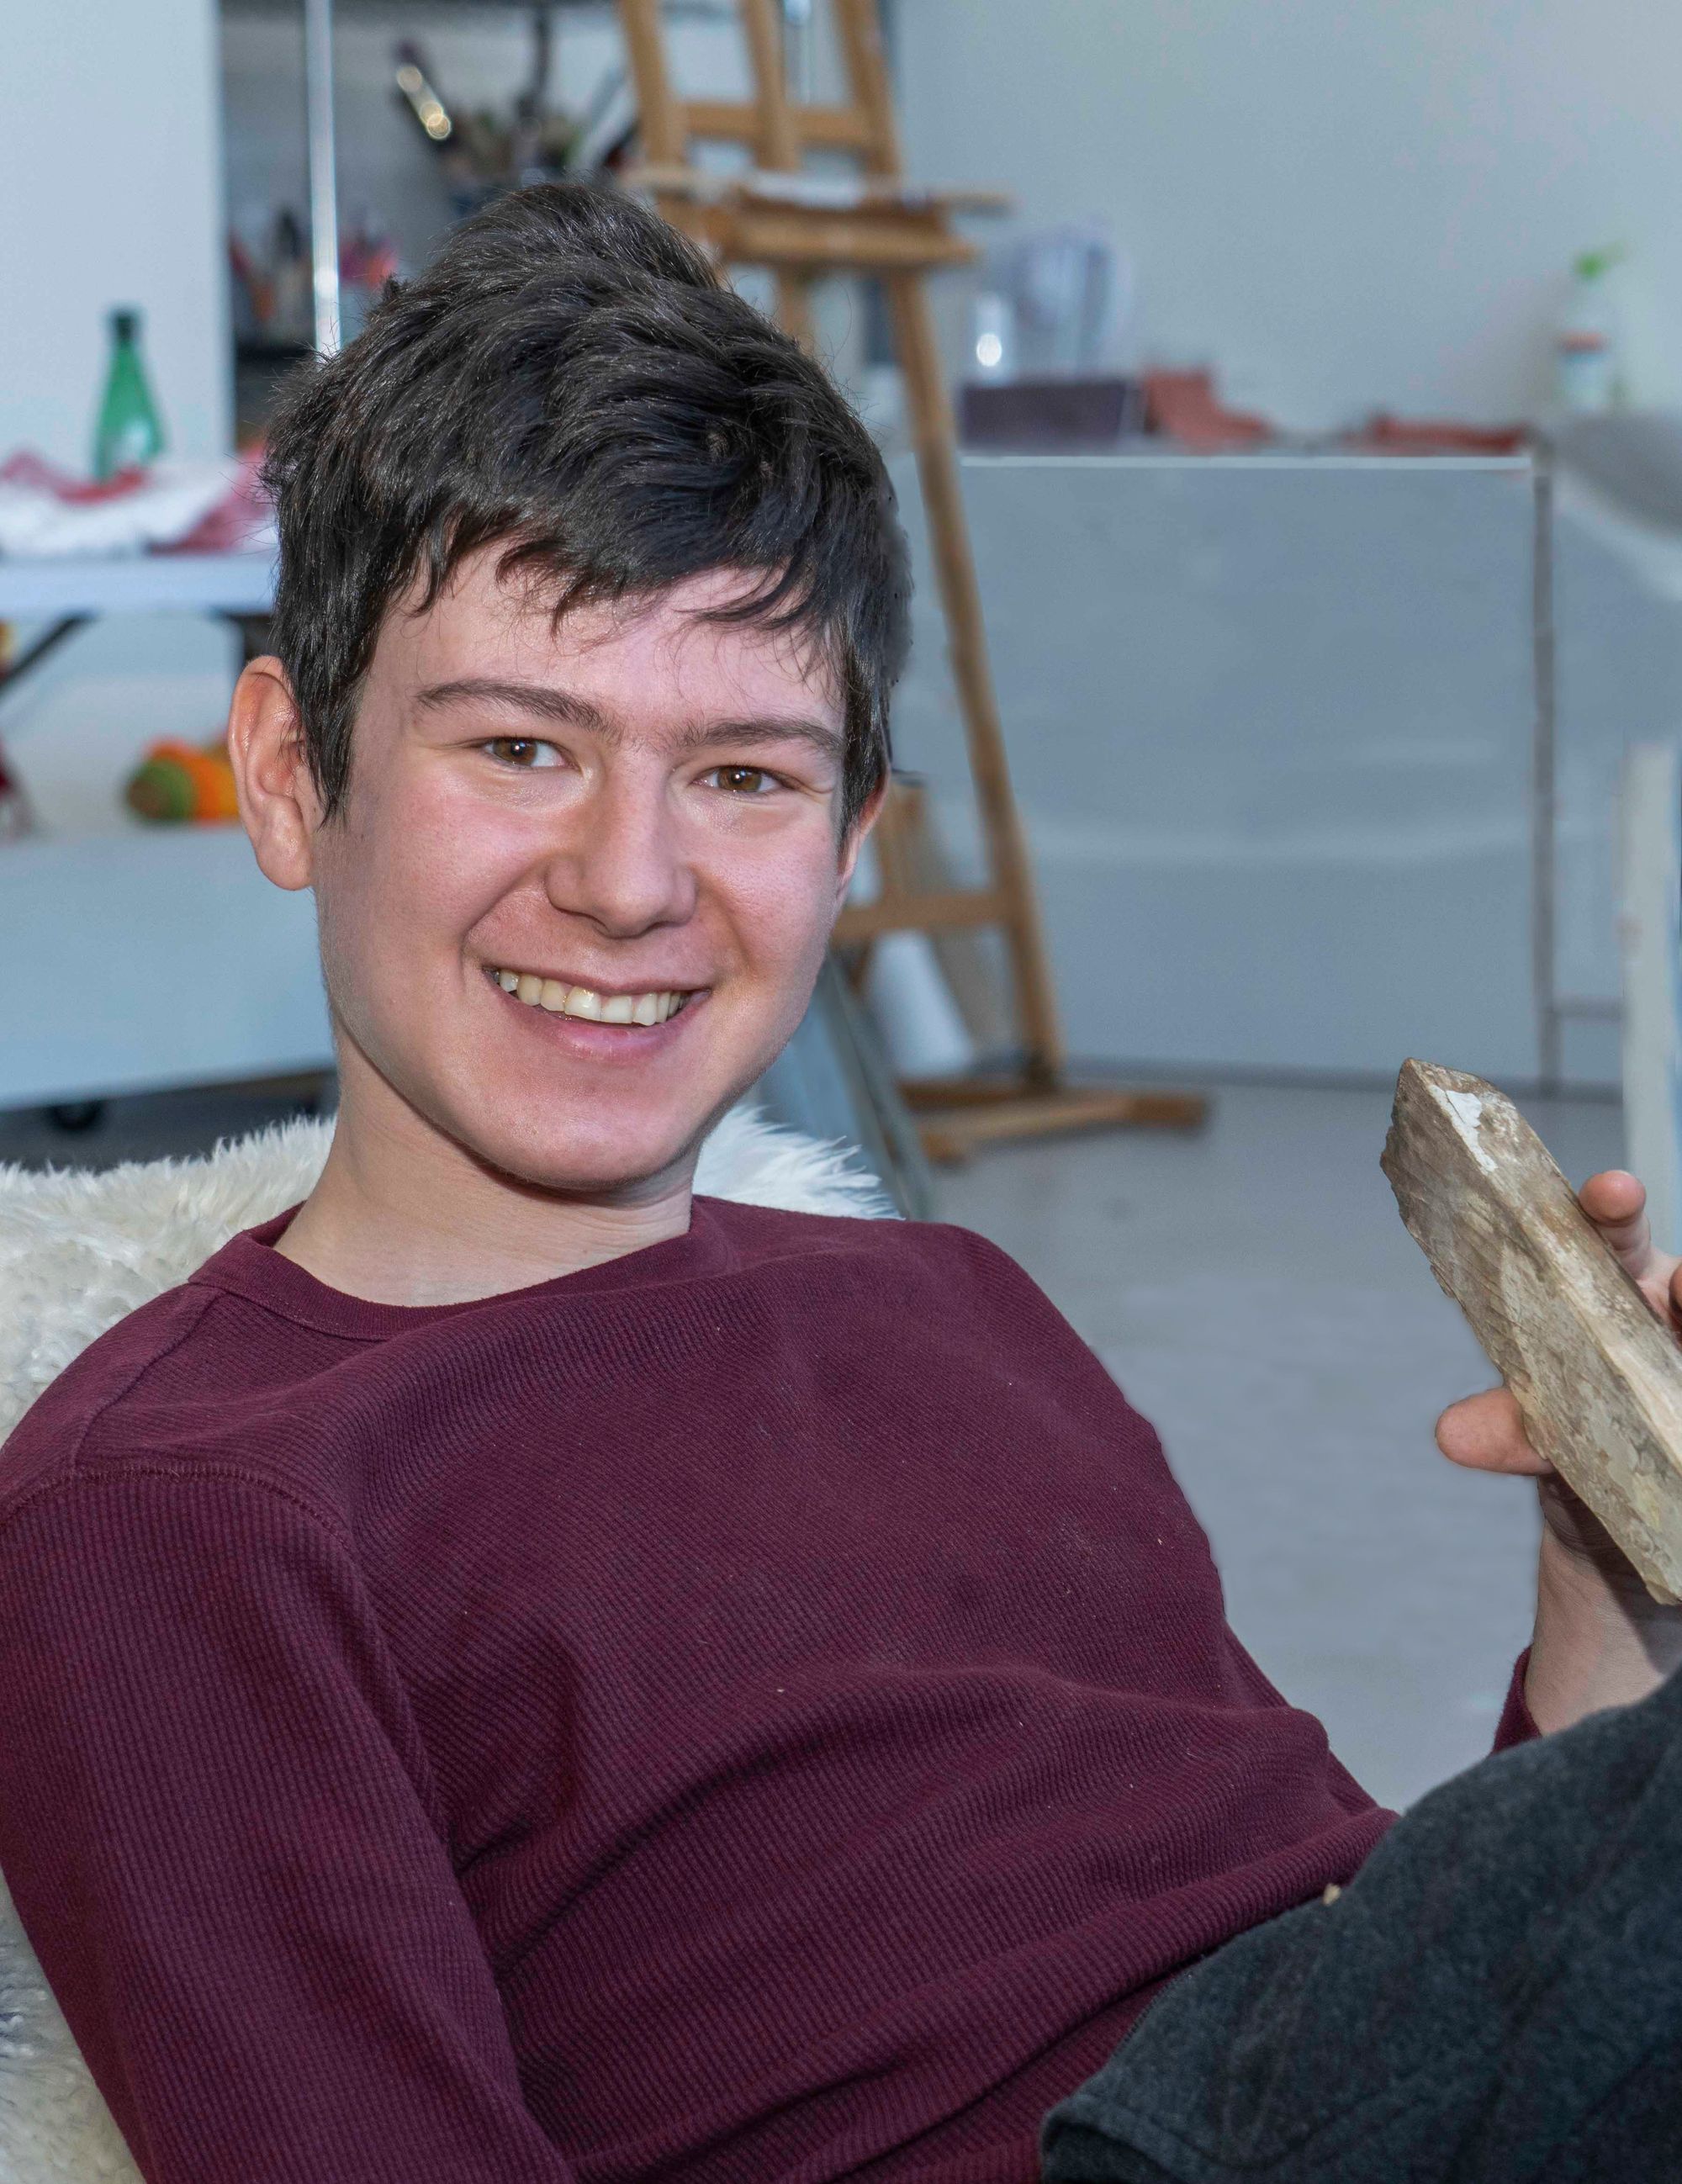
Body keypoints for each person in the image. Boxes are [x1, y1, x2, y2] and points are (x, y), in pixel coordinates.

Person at [0, 182, 1676, 2184]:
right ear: (289, 775)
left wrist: (1605, 1575)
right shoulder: (170, 1514)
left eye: (745, 777)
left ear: (854, 840)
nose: (630, 883)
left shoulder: (945, 1302)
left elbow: (1380, 1962)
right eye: (522, 748)